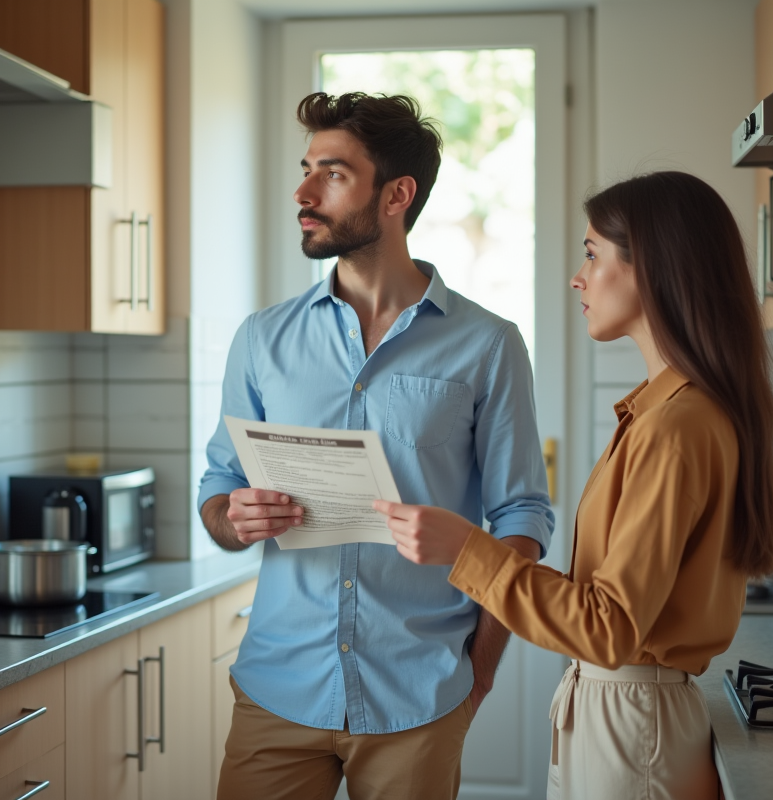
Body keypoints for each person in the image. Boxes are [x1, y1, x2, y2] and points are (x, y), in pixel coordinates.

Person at [374, 171, 773, 800]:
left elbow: (608, 627)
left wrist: (466, 550)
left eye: (593, 253)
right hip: (626, 716)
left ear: (650, 269)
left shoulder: (676, 426)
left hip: (632, 727)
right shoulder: (668, 412)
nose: (577, 276)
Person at [198, 91, 555, 800]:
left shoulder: (488, 344)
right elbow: (218, 483)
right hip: (276, 690)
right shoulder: (261, 339)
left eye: (332, 173)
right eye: (306, 169)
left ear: (397, 194)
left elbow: (522, 518)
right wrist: (232, 517)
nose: (303, 191)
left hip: (419, 697)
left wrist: (477, 675)